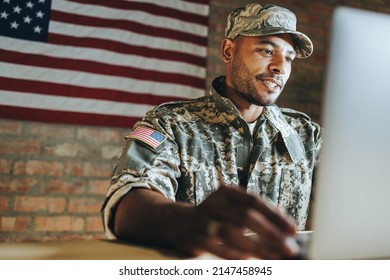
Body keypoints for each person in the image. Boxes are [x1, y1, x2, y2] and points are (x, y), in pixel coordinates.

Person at [101, 3, 322, 260]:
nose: (279, 67)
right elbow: (127, 204)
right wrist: (186, 222)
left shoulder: (310, 138)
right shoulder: (171, 125)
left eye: (289, 58)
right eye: (267, 50)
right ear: (229, 51)